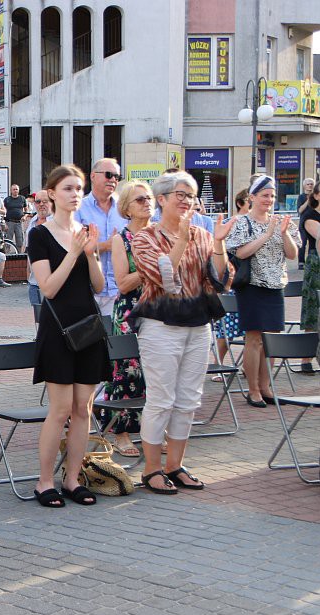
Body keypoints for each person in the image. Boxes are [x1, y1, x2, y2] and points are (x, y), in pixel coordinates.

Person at [129, 171, 232, 493]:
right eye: (181, 194)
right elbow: (162, 279)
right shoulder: (145, 237)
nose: (188, 201)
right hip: (160, 326)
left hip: (198, 325)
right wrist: (183, 241)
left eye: (191, 195)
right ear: (162, 200)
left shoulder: (202, 234)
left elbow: (220, 281)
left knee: (188, 400)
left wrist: (217, 244)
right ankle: (151, 469)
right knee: (161, 399)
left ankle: (175, 465)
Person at [27, 164, 110, 508]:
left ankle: (73, 478)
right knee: (60, 409)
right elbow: (48, 288)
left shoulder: (84, 230)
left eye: (78, 188)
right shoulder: (40, 234)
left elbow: (99, 285)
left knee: (83, 408)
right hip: (58, 327)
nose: (75, 194)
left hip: (88, 325)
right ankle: (44, 481)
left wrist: (89, 254)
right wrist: (74, 253)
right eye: (67, 189)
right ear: (51, 193)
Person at [225, 174, 299, 407]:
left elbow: (292, 254)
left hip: (276, 284)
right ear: (252, 197)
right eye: (265, 195)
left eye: (272, 195)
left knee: (272, 338)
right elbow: (240, 253)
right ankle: (253, 389)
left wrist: (283, 233)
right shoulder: (242, 223)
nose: (269, 199)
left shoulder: (280, 221)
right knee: (254, 339)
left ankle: (266, 387)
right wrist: (266, 235)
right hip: (252, 286)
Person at [99, 180, 155, 458]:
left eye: (149, 199)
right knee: (125, 372)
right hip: (131, 312)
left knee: (155, 374)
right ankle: (120, 431)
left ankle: (151, 430)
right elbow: (122, 283)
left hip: (159, 309)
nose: (147, 203)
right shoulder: (122, 239)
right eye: (140, 200)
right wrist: (152, 265)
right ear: (127, 209)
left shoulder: (160, 236)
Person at [78, 158, 128, 316]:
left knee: (115, 340)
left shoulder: (125, 208)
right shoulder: (78, 208)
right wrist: (106, 245)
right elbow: (71, 249)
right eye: (108, 175)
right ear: (93, 176)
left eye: (117, 177)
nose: (113, 180)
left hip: (118, 291)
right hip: (86, 291)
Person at [212, 190, 248, 370]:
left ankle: (248, 367)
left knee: (253, 332)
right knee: (227, 327)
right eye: (249, 201)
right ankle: (218, 364)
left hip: (252, 281)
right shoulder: (228, 224)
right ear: (240, 203)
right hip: (233, 280)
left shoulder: (261, 223)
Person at [298, 187, 320, 374]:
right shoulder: (309, 216)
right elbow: (318, 235)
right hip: (316, 263)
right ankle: (306, 357)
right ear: (316, 195)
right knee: (314, 307)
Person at [26, 191, 52, 307]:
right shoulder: (32, 222)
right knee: (38, 321)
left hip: (53, 283)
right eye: (38, 201)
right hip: (34, 283)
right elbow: (29, 252)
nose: (41, 204)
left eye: (45, 201)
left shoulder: (57, 223)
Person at [3, 183, 28, 252]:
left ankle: (19, 255)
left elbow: (26, 209)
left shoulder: (22, 198)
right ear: (11, 190)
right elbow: (3, 211)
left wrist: (25, 216)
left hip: (19, 223)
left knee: (20, 241)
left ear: (18, 190)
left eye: (16, 189)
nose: (15, 191)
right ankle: (7, 255)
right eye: (13, 189)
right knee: (8, 240)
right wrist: (4, 223)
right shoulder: (7, 199)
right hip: (9, 222)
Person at [297, 177, 315, 268]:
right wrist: (308, 200)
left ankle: (311, 262)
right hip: (303, 224)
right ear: (304, 186)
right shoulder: (301, 197)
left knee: (313, 244)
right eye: (308, 184)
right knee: (302, 243)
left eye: (311, 184)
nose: (310, 186)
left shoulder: (316, 197)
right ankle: (301, 262)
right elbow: (300, 210)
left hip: (313, 223)